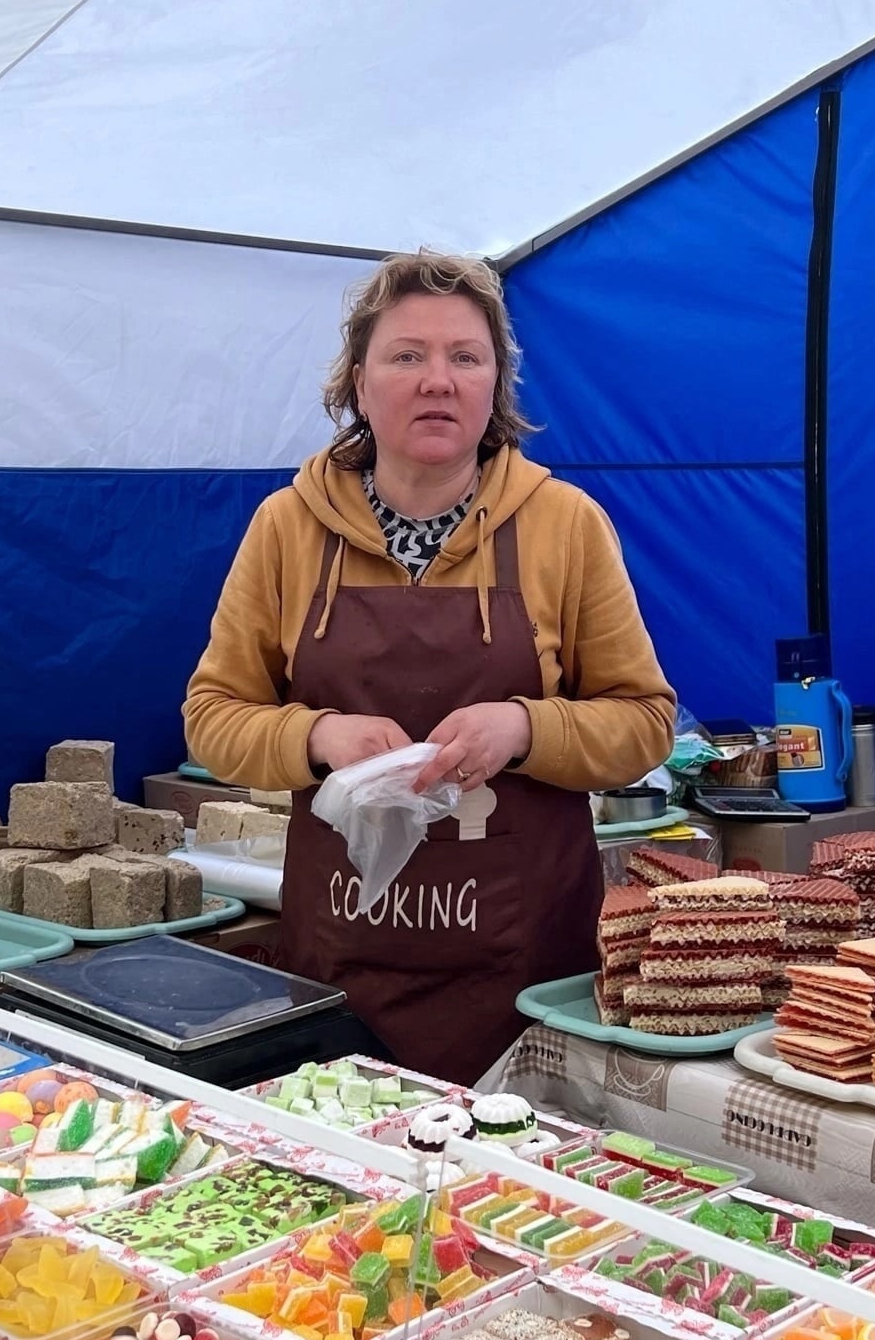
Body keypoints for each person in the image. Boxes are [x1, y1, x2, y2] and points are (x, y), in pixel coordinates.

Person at [186, 252, 675, 1083]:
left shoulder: (566, 525)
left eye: (465, 357)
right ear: (358, 382)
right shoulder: (286, 527)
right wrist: (320, 735)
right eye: (407, 356)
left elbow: (644, 720)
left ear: (495, 386)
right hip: (342, 959)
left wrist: (525, 726)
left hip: (525, 974)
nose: (437, 381)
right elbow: (213, 713)